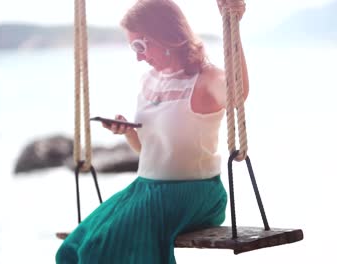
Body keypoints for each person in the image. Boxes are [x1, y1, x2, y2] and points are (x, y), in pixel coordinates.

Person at [56, 0, 248, 263]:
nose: (137, 56)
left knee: (98, 251)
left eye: (140, 45)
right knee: (72, 249)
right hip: (144, 188)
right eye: (132, 47)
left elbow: (237, 93)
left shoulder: (206, 79)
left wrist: (233, 25)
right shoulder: (149, 81)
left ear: (167, 36)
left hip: (194, 192)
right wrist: (127, 132)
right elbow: (148, 151)